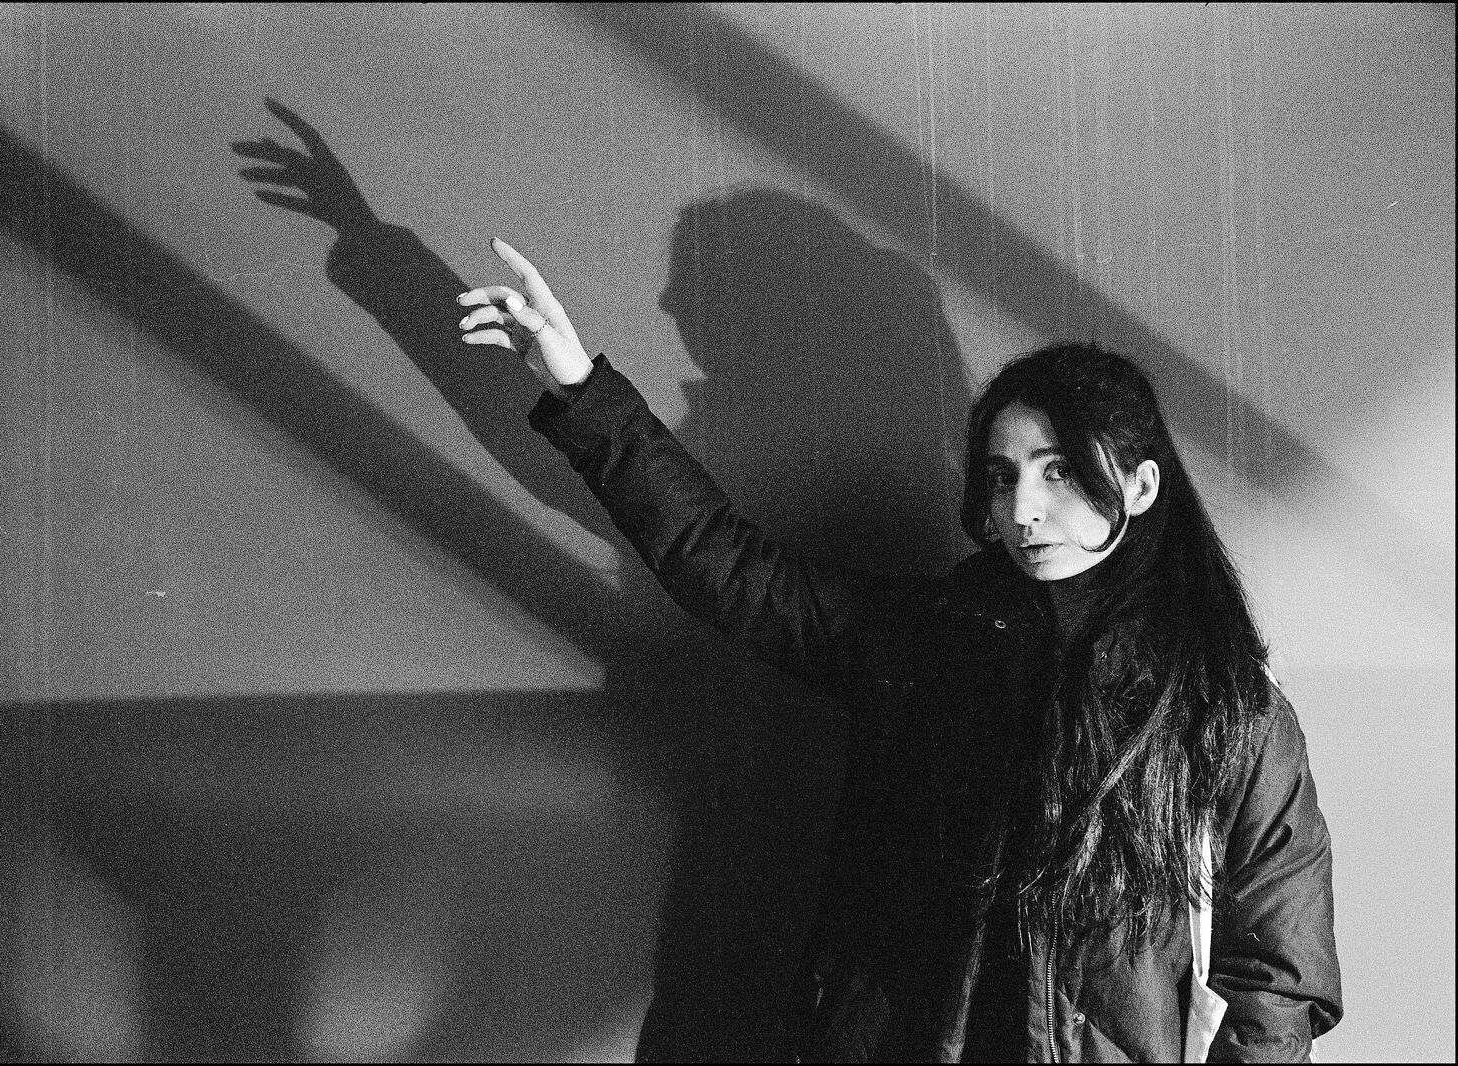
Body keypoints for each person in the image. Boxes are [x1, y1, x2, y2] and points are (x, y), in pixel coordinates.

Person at [453, 236, 1343, 1063]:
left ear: (1141, 485)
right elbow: (727, 565)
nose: (1023, 509)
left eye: (1061, 471)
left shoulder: (1223, 706)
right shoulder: (931, 643)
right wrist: (579, 386)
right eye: (1003, 477)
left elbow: (1280, 976)